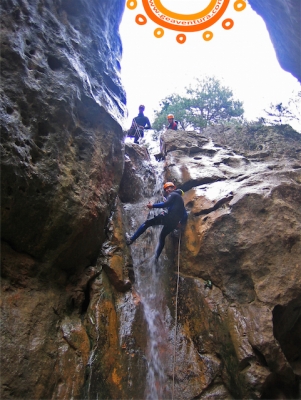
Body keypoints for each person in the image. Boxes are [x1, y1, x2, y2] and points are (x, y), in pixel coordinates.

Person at [126, 182, 187, 261]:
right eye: (166, 189)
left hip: (167, 217)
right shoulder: (179, 200)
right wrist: (180, 223)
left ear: (174, 188)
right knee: (162, 236)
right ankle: (156, 258)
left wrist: (152, 206)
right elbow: (185, 215)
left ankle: (131, 239)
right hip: (173, 223)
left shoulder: (173, 194)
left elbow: (166, 204)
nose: (168, 190)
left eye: (170, 188)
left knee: (147, 223)